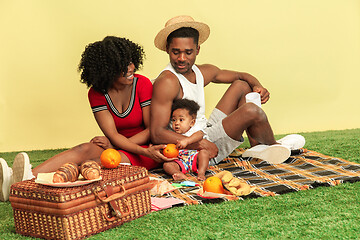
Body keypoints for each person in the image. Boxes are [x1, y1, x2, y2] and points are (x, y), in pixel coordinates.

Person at [0, 36, 170, 202]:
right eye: (123, 65)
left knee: (92, 163)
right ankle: (23, 179)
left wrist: (124, 147)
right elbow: (112, 134)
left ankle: (25, 188)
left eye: (131, 61)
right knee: (84, 149)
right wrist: (114, 145)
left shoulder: (143, 83)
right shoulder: (96, 94)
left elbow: (150, 130)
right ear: (107, 70)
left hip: (147, 150)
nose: (131, 67)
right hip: (118, 145)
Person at [150, 15, 305, 167]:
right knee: (251, 110)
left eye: (188, 52)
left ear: (197, 50)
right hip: (195, 151)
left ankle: (257, 146)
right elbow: (157, 133)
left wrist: (258, 86)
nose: (182, 58)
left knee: (242, 85)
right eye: (176, 52)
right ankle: (275, 146)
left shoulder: (201, 72)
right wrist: (201, 144)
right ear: (167, 49)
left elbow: (240, 75)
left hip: (203, 130)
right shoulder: (167, 81)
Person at [163, 98, 210, 180]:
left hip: (195, 159)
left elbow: (200, 135)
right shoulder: (171, 132)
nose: (176, 123)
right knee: (167, 165)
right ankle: (179, 174)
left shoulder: (194, 130)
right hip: (179, 161)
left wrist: (187, 140)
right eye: (174, 120)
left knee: (204, 153)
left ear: (192, 122)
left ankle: (201, 173)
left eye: (181, 120)